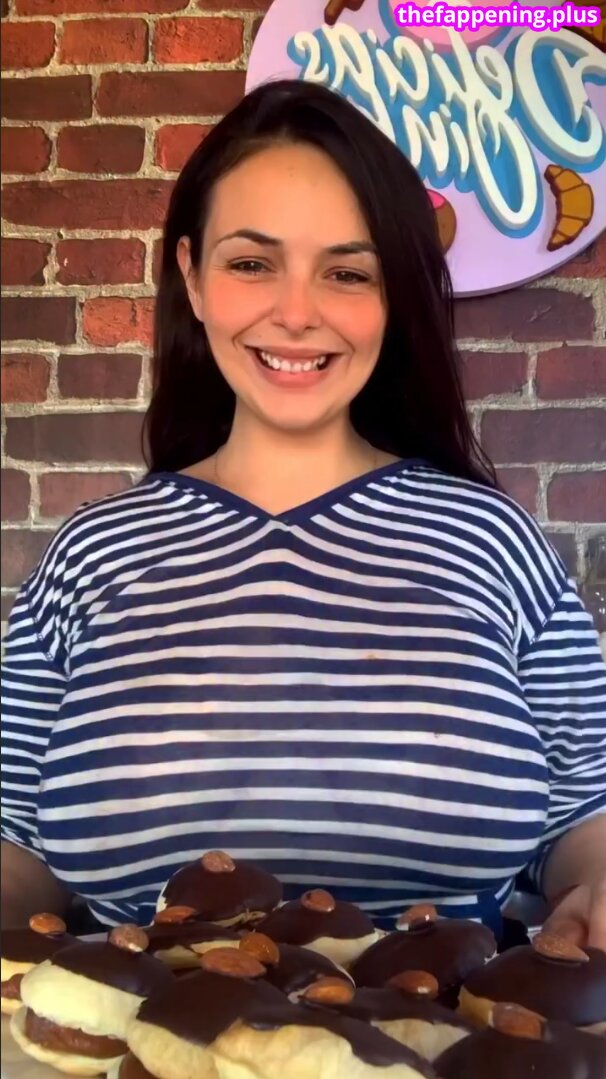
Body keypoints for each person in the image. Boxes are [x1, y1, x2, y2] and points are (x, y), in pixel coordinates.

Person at [1, 79, 605, 948]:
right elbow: (17, 837)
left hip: (459, 1023)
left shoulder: (492, 543)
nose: (295, 313)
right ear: (192, 277)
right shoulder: (92, 554)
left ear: (392, 298)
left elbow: (584, 807)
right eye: (252, 263)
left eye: (347, 272)